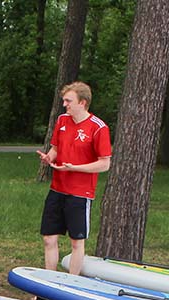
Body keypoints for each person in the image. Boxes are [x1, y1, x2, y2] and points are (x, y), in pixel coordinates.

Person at [36, 81, 111, 277]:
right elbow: (56, 148)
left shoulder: (98, 128)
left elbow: (105, 163)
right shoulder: (62, 120)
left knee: (76, 241)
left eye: (68, 101)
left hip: (80, 193)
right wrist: (48, 157)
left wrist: (75, 168)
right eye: (64, 100)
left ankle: (71, 284)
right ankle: (48, 283)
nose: (64, 104)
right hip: (57, 188)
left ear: (82, 103)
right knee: (49, 238)